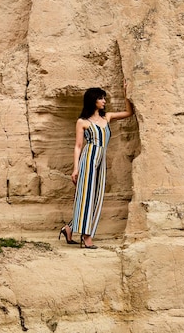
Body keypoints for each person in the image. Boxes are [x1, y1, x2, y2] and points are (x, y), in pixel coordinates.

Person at [59, 79, 133, 248]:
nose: (104, 101)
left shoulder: (107, 117)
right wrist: (76, 168)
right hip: (89, 158)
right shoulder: (83, 122)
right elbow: (78, 146)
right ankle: (86, 237)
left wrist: (126, 93)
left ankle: (69, 229)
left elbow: (129, 112)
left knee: (97, 198)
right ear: (93, 100)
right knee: (86, 197)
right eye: (101, 98)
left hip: (101, 159)